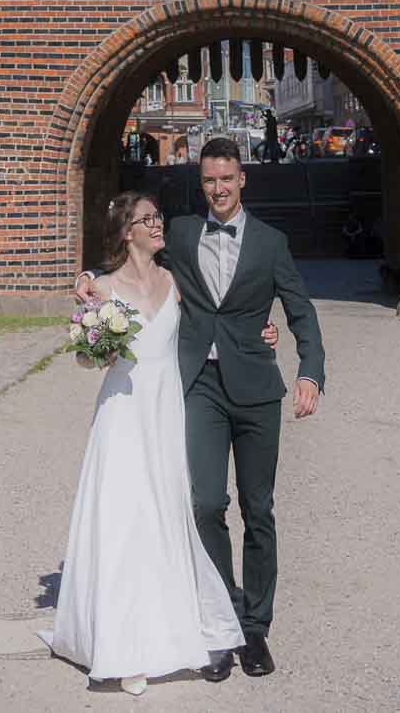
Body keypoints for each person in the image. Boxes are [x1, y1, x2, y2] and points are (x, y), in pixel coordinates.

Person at [45, 192, 278, 693]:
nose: (157, 225)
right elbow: (88, 360)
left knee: (170, 512)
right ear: (126, 232)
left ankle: (177, 621)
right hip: (124, 412)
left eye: (158, 217)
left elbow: (223, 314)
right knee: (127, 517)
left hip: (169, 408)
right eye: (146, 219)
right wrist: (93, 337)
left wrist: (262, 328)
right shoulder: (102, 288)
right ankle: (125, 642)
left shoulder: (175, 280)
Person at [165, 137, 325, 680]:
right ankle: (218, 623)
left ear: (242, 179)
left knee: (259, 510)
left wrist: (310, 371)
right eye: (209, 180)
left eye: (226, 179)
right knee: (206, 503)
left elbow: (300, 309)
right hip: (201, 386)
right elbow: (133, 253)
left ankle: (254, 629)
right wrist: (92, 277)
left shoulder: (271, 243)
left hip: (257, 390)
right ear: (201, 182)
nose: (218, 189)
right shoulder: (182, 232)